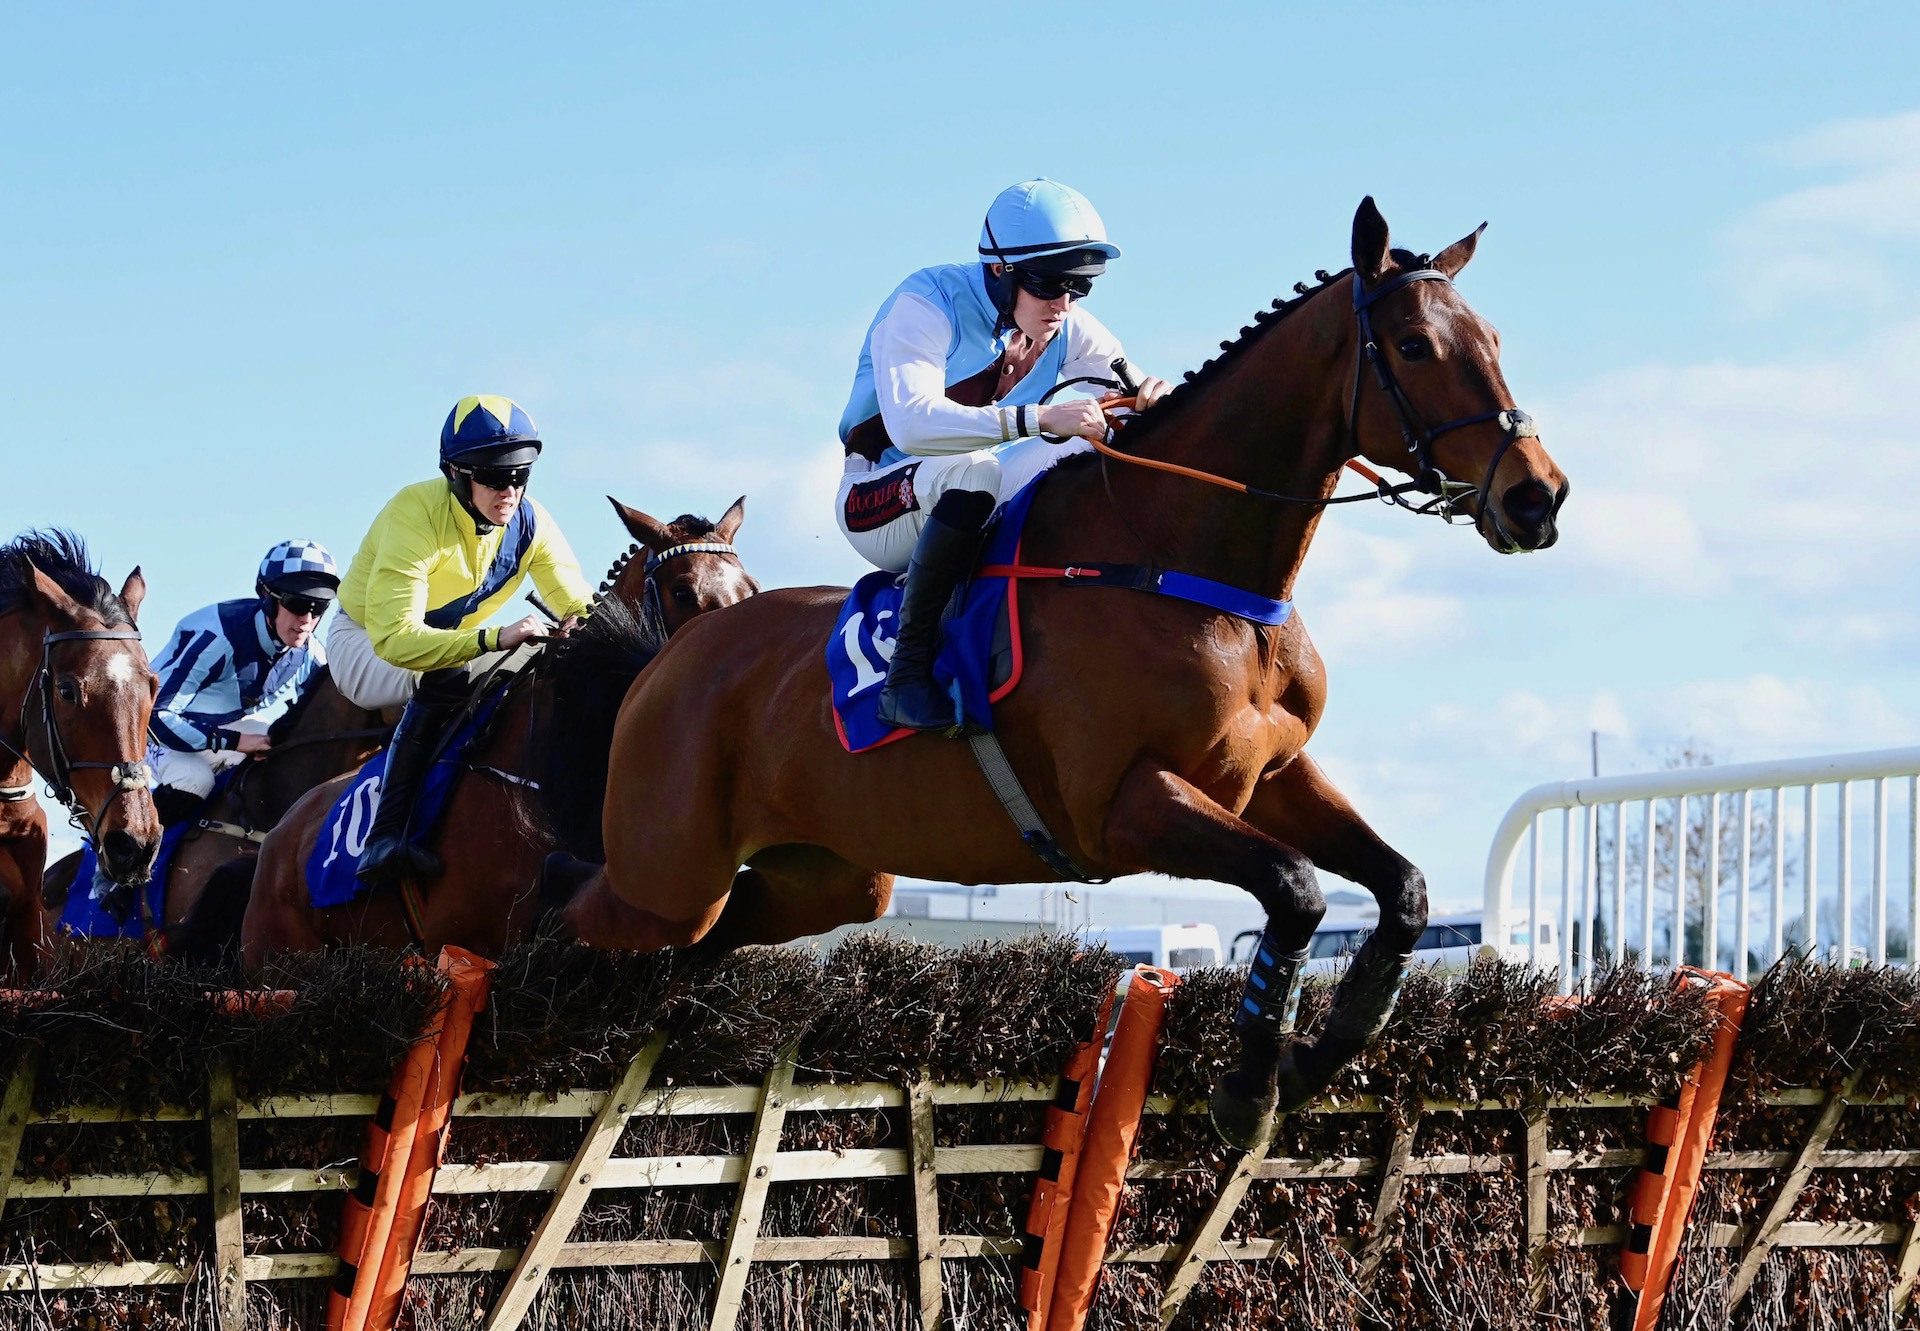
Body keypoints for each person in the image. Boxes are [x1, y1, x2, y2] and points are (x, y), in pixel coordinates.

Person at [835, 178, 1172, 734]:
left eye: (1080, 286)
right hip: (878, 496)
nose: (1062, 304)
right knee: (978, 469)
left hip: (971, 484)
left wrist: (1156, 407)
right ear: (1000, 271)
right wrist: (1040, 418)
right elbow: (913, 424)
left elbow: (1135, 394)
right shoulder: (925, 303)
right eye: (1048, 285)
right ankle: (906, 676)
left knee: (1097, 443)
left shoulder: (1066, 325)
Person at [329, 394, 594, 887]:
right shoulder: (413, 512)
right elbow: (399, 641)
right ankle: (385, 839)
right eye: (494, 478)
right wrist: (495, 636)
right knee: (449, 672)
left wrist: (587, 630)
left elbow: (576, 602)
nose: (509, 491)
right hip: (365, 643)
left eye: (520, 476)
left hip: (445, 640)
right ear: (456, 473)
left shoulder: (531, 521)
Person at [146, 540, 339, 824]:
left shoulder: (310, 652)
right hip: (154, 730)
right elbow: (156, 717)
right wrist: (235, 741)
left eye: (319, 607)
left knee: (288, 755)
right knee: (193, 780)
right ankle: (124, 861)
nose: (307, 621)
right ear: (267, 597)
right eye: (297, 605)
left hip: (220, 726)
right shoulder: (215, 639)